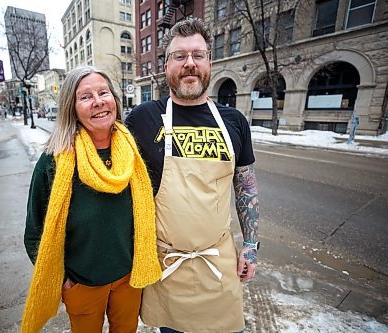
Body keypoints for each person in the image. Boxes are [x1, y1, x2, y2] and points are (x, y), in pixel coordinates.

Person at [125, 18, 259, 333]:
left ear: (209, 62)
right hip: (167, 269)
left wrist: (251, 244)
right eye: (180, 56)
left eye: (198, 55)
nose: (190, 64)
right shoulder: (143, 119)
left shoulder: (234, 121)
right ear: (166, 64)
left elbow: (246, 188)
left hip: (219, 268)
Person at [21, 66, 162, 333]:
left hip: (129, 279)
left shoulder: (132, 152)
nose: (98, 101)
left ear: (114, 101)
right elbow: (34, 231)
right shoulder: (55, 161)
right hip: (82, 283)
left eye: (103, 93)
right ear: (71, 108)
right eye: (85, 97)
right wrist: (62, 279)